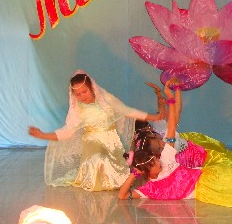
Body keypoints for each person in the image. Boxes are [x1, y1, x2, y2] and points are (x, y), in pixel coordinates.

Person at [118, 81, 232, 208]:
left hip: (206, 176)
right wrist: (134, 173)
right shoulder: (149, 189)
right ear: (145, 171)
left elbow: (171, 128)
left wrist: (170, 98)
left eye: (155, 159)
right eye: (154, 163)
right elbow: (122, 195)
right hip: (203, 191)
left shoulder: (166, 159)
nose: (158, 161)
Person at [29, 70, 165, 191]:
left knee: (111, 165)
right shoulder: (78, 110)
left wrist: (153, 117)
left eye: (84, 92)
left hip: (111, 142)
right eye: (78, 94)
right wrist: (43, 135)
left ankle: (114, 175)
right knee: (98, 159)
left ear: (92, 88)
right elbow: (68, 131)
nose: (82, 96)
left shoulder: (106, 100)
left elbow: (126, 111)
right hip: (92, 142)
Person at [141, 82, 232, 176]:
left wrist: (167, 92)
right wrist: (173, 93)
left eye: (158, 141)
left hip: (194, 152)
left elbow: (167, 110)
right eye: (158, 146)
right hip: (194, 159)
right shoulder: (167, 147)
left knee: (228, 161)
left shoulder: (162, 134)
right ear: (155, 155)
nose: (161, 143)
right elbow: (175, 111)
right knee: (225, 166)